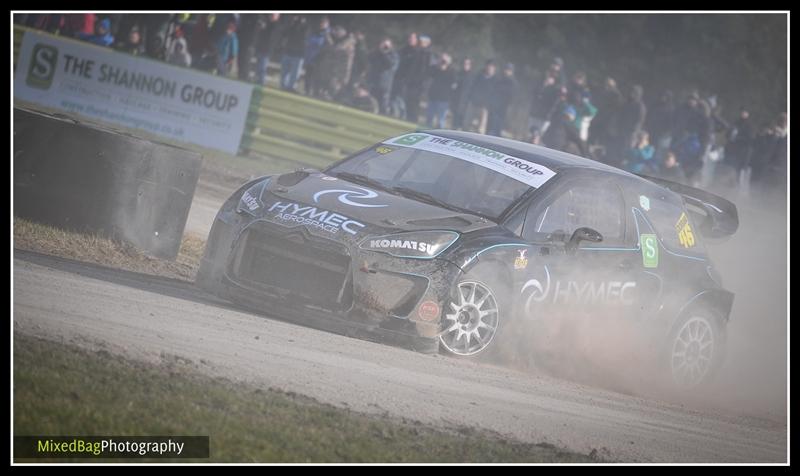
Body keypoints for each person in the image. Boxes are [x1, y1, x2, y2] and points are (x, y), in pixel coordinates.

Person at [529, 57, 565, 136]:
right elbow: (535, 89)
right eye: (554, 64)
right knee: (531, 133)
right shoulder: (544, 74)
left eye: (557, 65)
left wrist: (553, 86)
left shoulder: (561, 79)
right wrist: (544, 84)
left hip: (548, 112)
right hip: (536, 110)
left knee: (540, 135)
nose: (555, 67)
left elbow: (560, 94)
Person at [317, 25, 355, 100]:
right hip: (335, 68)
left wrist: (328, 37)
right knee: (329, 83)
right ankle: (327, 95)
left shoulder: (348, 41)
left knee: (335, 85)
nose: (336, 34)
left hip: (342, 69)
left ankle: (333, 97)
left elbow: (337, 48)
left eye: (338, 32)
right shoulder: (342, 41)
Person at [366, 38, 399, 115]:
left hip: (384, 84)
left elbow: (390, 64)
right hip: (373, 82)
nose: (385, 46)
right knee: (371, 103)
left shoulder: (393, 55)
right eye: (383, 44)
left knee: (383, 105)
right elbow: (369, 58)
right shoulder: (376, 52)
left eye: (387, 45)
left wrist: (384, 53)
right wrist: (378, 50)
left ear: (391, 46)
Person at [463, 60, 496, 134]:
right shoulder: (479, 76)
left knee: (480, 129)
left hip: (484, 106)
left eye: (491, 67)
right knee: (466, 124)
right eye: (488, 66)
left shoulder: (495, 80)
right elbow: (472, 87)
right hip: (473, 103)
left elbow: (494, 95)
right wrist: (470, 98)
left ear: (494, 68)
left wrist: (489, 104)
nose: (489, 68)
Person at [303, 16, 332, 98]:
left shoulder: (328, 35)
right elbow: (308, 42)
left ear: (327, 24)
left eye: (324, 23)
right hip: (311, 57)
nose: (322, 25)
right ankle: (307, 90)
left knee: (316, 77)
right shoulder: (315, 32)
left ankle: (316, 92)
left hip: (320, 60)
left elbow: (330, 46)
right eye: (321, 23)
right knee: (308, 75)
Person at [426, 53, 456, 128]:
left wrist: (444, 69)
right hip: (433, 96)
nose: (443, 62)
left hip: (443, 99)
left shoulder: (452, 71)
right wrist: (438, 66)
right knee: (429, 118)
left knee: (440, 120)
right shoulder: (434, 68)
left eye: (445, 61)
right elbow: (429, 75)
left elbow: (453, 84)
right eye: (442, 60)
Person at [486, 62, 517, 137]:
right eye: (506, 69)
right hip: (494, 107)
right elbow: (493, 91)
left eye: (509, 70)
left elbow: (512, 97)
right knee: (490, 128)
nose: (506, 71)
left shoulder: (513, 83)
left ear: (512, 71)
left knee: (497, 129)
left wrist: (508, 108)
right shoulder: (499, 79)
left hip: (503, 109)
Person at [253, 14, 285, 86]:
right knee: (258, 66)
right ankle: (256, 79)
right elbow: (261, 34)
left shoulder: (277, 25)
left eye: (273, 15)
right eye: (271, 15)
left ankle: (261, 82)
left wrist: (265, 27)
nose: (271, 16)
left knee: (263, 67)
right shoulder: (266, 23)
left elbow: (272, 36)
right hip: (260, 48)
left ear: (277, 17)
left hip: (267, 49)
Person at [279, 15, 308, 92]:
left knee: (294, 74)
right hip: (288, 51)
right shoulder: (292, 24)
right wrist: (291, 24)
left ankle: (291, 88)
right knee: (284, 72)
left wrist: (300, 25)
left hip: (298, 54)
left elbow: (304, 38)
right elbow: (284, 33)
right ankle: (283, 87)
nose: (299, 19)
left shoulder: (307, 27)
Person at [450, 57, 475, 130]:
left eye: (467, 64)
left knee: (463, 120)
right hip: (457, 100)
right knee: (455, 119)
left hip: (466, 102)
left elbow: (472, 89)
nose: (465, 65)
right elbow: (454, 86)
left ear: (470, 65)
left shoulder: (472, 75)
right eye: (464, 63)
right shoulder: (459, 73)